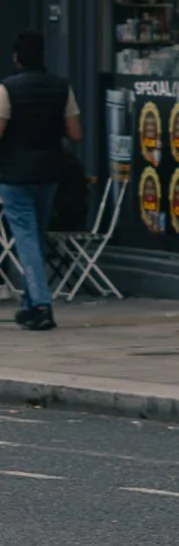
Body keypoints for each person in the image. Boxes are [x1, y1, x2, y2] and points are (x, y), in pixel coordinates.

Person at [0, 30, 81, 333]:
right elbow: (75, 133)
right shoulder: (62, 87)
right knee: (38, 233)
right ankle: (28, 305)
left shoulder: (6, 89)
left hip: (14, 175)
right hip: (50, 173)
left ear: (16, 58)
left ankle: (42, 305)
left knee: (26, 238)